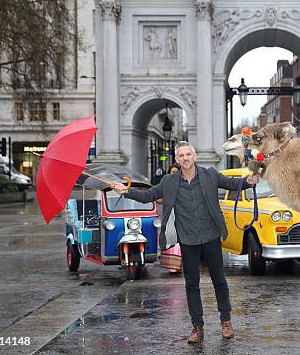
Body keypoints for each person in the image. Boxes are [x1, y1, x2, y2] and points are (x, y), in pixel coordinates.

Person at [110, 142, 259, 343]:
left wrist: (249, 181)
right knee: (191, 285)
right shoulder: (169, 182)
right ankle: (197, 327)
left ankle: (226, 321)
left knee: (219, 281)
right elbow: (148, 196)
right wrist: (125, 190)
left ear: (195, 156)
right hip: (188, 240)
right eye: (181, 155)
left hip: (211, 236)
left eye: (188, 154)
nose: (185, 158)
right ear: (177, 159)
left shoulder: (210, 175)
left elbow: (234, 184)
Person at [161, 164, 182, 273]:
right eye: (171, 172)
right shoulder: (166, 184)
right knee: (170, 237)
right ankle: (172, 265)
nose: (173, 174)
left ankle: (178, 265)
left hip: (181, 214)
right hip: (170, 215)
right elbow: (160, 199)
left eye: (175, 172)